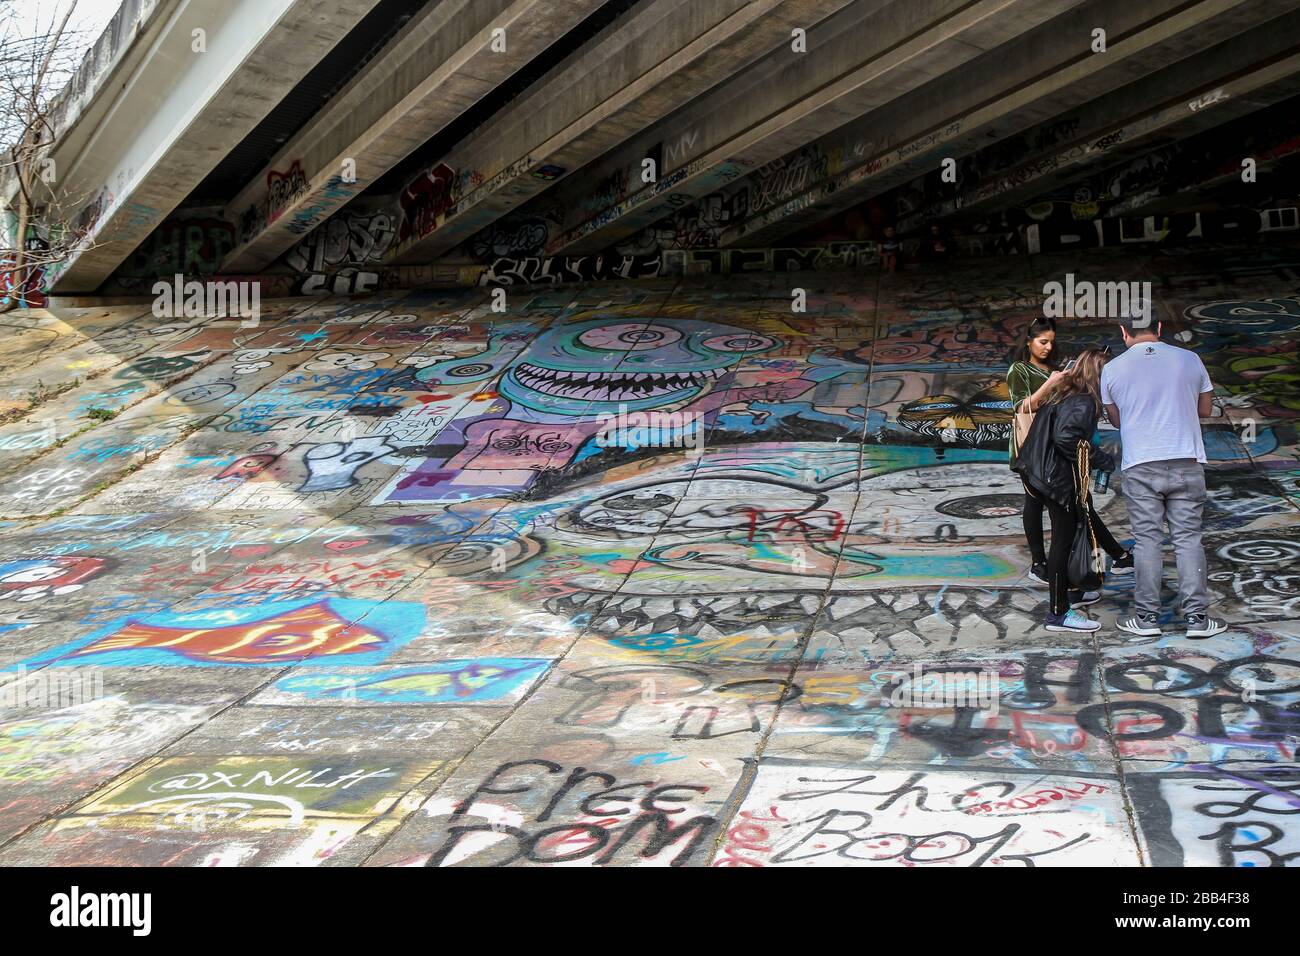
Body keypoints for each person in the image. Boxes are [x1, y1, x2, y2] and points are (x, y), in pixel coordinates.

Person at [1100, 307, 1227, 638]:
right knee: (1188, 539)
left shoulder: (1112, 369)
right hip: (1185, 459)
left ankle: (1146, 619)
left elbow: (1116, 421)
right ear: (1158, 327)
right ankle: (1198, 620)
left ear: (1123, 332)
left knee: (1147, 541)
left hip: (1141, 465)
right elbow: (1205, 409)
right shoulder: (1190, 359)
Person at [1014, 349, 1132, 633]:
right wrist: (1099, 458)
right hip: (1055, 479)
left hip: (1038, 473)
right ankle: (1058, 613)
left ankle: (1075, 593)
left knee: (1079, 526)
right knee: (1063, 542)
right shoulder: (1084, 402)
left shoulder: (1064, 393)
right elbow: (1066, 436)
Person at [1007, 317, 1062, 585]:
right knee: (1035, 501)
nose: (1048, 348)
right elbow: (1021, 406)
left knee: (1051, 501)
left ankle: (1053, 560)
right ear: (1028, 342)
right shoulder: (1020, 370)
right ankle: (1038, 562)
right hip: (1030, 446)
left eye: (1051, 342)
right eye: (1042, 342)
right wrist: (1051, 384)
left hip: (1055, 444)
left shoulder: (1053, 369)